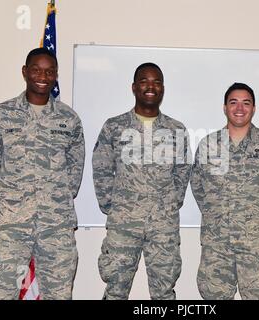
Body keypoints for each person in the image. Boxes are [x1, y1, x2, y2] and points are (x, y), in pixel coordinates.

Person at [0, 48, 85, 300]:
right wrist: (6, 201)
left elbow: (74, 170)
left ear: (56, 76)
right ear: (25, 72)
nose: (42, 76)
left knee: (59, 293)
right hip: (11, 225)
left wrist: (55, 198)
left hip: (56, 225)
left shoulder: (69, 120)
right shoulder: (1, 115)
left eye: (49, 71)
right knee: (2, 292)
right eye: (36, 69)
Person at [93, 62, 191, 300]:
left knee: (164, 290)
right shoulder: (114, 126)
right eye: (145, 81)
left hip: (163, 225)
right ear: (134, 87)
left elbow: (183, 170)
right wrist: (112, 205)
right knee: (116, 288)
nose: (151, 87)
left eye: (156, 82)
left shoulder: (176, 129)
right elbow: (101, 167)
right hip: (124, 223)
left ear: (163, 88)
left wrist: (168, 204)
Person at [190, 82, 259, 299]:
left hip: (257, 243)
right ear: (225, 107)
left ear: (254, 108)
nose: (239, 108)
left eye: (246, 103)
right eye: (233, 102)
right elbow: (198, 186)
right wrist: (216, 213)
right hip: (217, 242)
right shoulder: (209, 145)